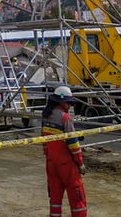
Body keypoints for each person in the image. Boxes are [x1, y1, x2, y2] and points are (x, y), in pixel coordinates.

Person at [42, 86, 87, 217]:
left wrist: (48, 156)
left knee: (55, 198)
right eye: (68, 103)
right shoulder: (65, 118)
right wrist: (80, 163)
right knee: (77, 197)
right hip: (67, 165)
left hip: (51, 163)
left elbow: (44, 141)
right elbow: (73, 144)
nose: (70, 106)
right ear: (61, 102)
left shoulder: (46, 116)